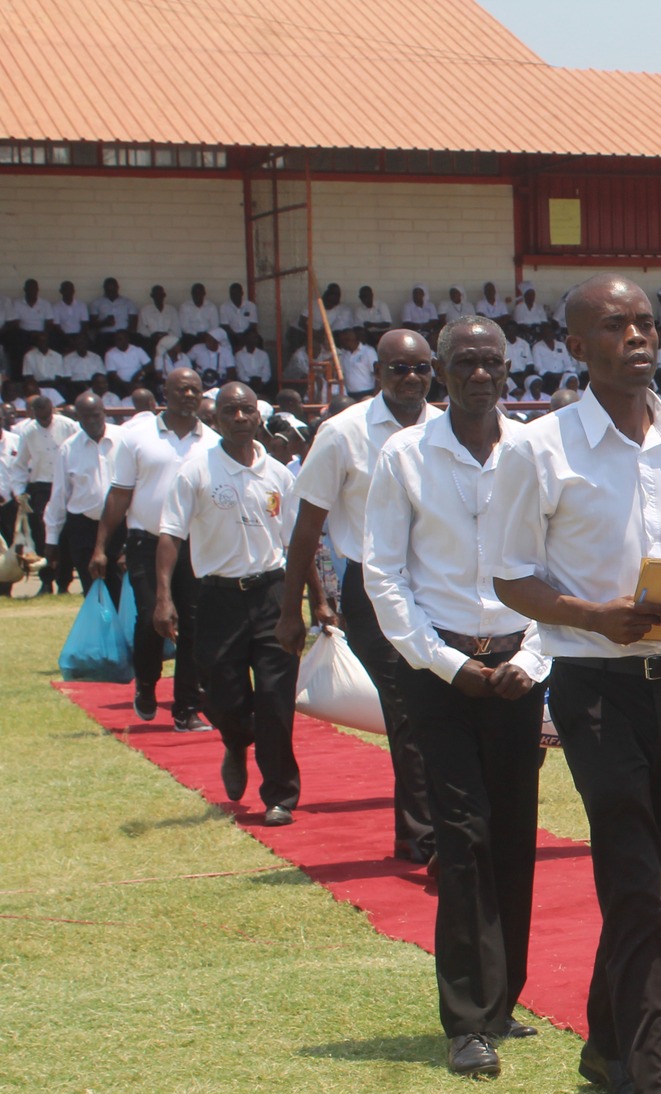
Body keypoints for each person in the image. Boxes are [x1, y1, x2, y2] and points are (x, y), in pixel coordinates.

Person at [487, 274, 661, 1094]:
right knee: (637, 888)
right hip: (594, 688)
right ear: (579, 344)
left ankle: (603, 1038)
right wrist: (596, 617)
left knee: (647, 878)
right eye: (615, 325)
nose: (636, 336)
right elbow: (512, 580)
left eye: (646, 323)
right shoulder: (540, 450)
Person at [363, 315, 548, 1081]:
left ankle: (506, 998)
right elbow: (384, 572)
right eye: (464, 362)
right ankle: (468, 1018)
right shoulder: (405, 456)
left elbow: (557, 564)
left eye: (491, 362)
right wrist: (441, 663)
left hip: (517, 667)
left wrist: (535, 656)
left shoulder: (534, 452)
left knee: (513, 835)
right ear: (439, 370)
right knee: (463, 837)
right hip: (439, 673)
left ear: (509, 369)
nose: (479, 374)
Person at [278, 329, 439, 865]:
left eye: (420, 368)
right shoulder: (342, 433)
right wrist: (297, 608)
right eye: (398, 369)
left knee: (437, 711)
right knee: (408, 710)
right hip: (374, 589)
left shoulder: (448, 427)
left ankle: (434, 827)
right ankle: (423, 836)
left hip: (441, 588)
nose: (411, 379)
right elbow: (307, 528)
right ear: (377, 374)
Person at [154, 382, 300, 825]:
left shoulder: (279, 474)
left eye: (247, 411)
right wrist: (163, 596)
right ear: (214, 418)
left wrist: (319, 602)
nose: (239, 418)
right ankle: (236, 742)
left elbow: (298, 542)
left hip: (272, 594)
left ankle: (279, 795)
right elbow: (170, 534)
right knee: (221, 693)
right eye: (230, 411)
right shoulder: (196, 471)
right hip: (218, 598)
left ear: (259, 416)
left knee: (276, 700)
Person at [95, 367, 212, 725]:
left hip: (193, 545)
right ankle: (146, 682)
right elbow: (119, 495)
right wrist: (101, 546)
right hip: (146, 541)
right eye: (181, 390)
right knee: (151, 617)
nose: (188, 396)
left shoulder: (210, 441)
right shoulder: (138, 438)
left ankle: (186, 709)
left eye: (195, 390)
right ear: (166, 393)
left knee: (192, 623)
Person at [46, 394, 119, 603]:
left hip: (119, 526)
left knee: (121, 588)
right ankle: (98, 635)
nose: (91, 422)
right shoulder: (68, 448)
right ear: (77, 418)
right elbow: (59, 496)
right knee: (92, 589)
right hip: (84, 527)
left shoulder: (125, 440)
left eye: (96, 416)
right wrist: (52, 538)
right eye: (85, 417)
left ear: (104, 413)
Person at [16, 396, 81, 593]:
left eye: (47, 417)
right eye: (40, 418)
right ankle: (46, 581)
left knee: (67, 533)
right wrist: (19, 493)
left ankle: (64, 582)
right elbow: (19, 464)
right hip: (41, 487)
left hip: (67, 484)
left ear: (52, 409)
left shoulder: (68, 425)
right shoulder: (28, 432)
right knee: (41, 534)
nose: (44, 422)